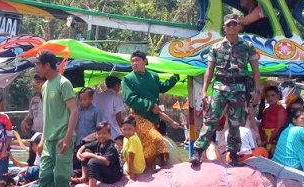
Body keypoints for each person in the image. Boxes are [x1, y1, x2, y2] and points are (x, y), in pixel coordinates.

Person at [190, 13, 262, 168]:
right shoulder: (216, 47)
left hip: (239, 88)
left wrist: (257, 90)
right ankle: (198, 151)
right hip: (220, 87)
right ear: (224, 27)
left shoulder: (247, 47)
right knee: (211, 119)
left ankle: (234, 154)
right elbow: (209, 70)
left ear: (238, 26)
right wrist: (204, 91)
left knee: (235, 122)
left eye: (234, 24)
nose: (232, 27)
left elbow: (255, 69)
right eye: (229, 24)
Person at [19, 50, 78, 187]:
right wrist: (43, 138)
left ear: (47, 65)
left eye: (38, 64)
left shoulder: (64, 83)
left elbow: (74, 112)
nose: (36, 67)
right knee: (44, 178)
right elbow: (48, 116)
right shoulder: (45, 86)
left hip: (62, 139)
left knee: (61, 178)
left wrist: (67, 138)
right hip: (49, 140)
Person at [122, 50, 179, 169]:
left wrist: (175, 77)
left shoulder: (153, 75)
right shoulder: (128, 78)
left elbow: (162, 88)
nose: (134, 63)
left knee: (150, 143)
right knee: (156, 138)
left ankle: (151, 167)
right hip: (138, 116)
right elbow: (129, 99)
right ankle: (149, 169)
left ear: (145, 61)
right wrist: (150, 106)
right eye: (132, 61)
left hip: (154, 117)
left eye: (137, 60)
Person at [75, 121, 122, 187]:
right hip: (104, 171)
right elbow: (84, 146)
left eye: (104, 133)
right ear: (96, 134)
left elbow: (107, 162)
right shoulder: (97, 143)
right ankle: (84, 177)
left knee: (92, 161)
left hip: (112, 175)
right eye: (99, 133)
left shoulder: (111, 146)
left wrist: (91, 155)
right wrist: (79, 153)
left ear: (109, 134)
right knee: (87, 150)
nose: (101, 136)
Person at [72, 87, 99, 182]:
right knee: (76, 163)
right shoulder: (78, 111)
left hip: (89, 143)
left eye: (85, 99)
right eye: (81, 99)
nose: (82, 102)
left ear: (91, 98)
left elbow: (98, 130)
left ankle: (85, 178)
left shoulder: (96, 111)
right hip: (77, 141)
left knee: (85, 162)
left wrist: (90, 140)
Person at [259, 85, 287, 154]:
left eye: (272, 95)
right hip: (263, 139)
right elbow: (261, 126)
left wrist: (266, 141)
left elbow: (279, 129)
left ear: (278, 96)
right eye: (267, 96)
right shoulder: (266, 110)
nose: (270, 98)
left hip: (275, 140)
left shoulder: (281, 110)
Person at [120, 115, 146, 182]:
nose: (127, 132)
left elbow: (131, 159)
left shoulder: (133, 139)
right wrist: (122, 152)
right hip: (129, 166)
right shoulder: (125, 138)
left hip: (136, 170)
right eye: (124, 129)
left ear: (135, 128)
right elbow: (125, 149)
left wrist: (131, 178)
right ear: (121, 130)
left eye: (130, 129)